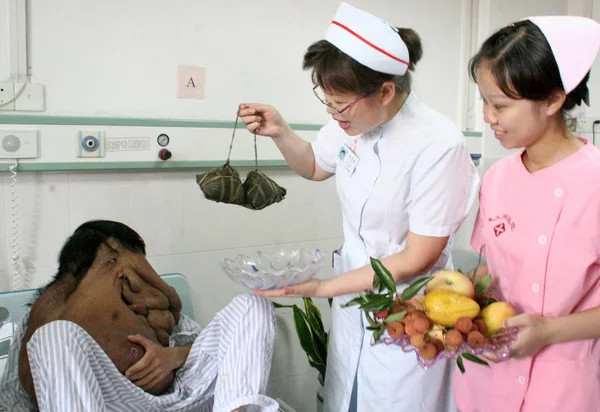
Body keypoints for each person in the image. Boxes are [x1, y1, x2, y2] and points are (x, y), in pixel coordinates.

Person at [239, 3, 479, 411]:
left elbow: (417, 256)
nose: (332, 114)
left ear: (385, 92)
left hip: (410, 309)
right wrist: (280, 131)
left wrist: (322, 289)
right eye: (327, 102)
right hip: (355, 303)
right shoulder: (351, 122)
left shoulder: (439, 145)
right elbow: (316, 165)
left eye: (340, 104)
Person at [452, 16, 600, 412]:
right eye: (483, 101)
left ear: (553, 100)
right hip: (490, 374)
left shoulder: (595, 182)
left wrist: (549, 330)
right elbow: (492, 268)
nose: (487, 116)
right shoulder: (498, 178)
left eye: (500, 105)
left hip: (563, 384)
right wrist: (457, 291)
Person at [0, 220, 278, 412]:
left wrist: (174, 356)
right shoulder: (43, 325)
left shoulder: (151, 299)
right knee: (54, 336)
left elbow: (217, 349)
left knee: (253, 305)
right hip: (116, 402)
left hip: (184, 399)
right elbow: (18, 393)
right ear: (113, 253)